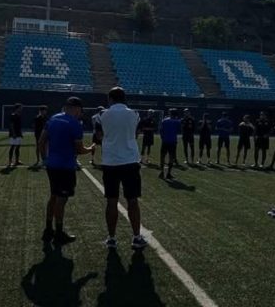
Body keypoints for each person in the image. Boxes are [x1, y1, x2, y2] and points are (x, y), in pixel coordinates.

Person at [39, 97, 94, 245]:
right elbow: (79, 149)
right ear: (77, 109)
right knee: (61, 200)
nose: (80, 114)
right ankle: (59, 233)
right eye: (80, 111)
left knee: (53, 196)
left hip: (52, 165)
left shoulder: (53, 118)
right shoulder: (75, 124)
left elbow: (42, 141)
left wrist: (45, 159)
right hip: (65, 167)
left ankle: (48, 229)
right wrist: (91, 149)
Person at [98, 87, 148, 250]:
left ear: (111, 99)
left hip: (110, 161)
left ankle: (111, 238)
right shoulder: (134, 114)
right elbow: (135, 133)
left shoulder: (102, 115)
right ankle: (136, 237)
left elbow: (99, 136)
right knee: (132, 201)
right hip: (130, 161)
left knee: (111, 201)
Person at [158, 109, 181, 180]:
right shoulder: (177, 122)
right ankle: (168, 173)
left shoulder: (164, 120)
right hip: (173, 141)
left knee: (162, 157)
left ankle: (162, 172)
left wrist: (163, 138)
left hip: (165, 141)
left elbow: (161, 130)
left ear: (170, 113)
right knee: (171, 158)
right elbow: (179, 130)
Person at [7, 103, 25, 168]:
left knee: (18, 147)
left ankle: (17, 161)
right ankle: (10, 162)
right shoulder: (13, 115)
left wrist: (21, 133)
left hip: (18, 133)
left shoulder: (19, 115)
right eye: (20, 107)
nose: (21, 109)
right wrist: (13, 133)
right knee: (12, 147)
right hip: (14, 134)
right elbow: (11, 125)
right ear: (17, 108)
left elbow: (19, 126)